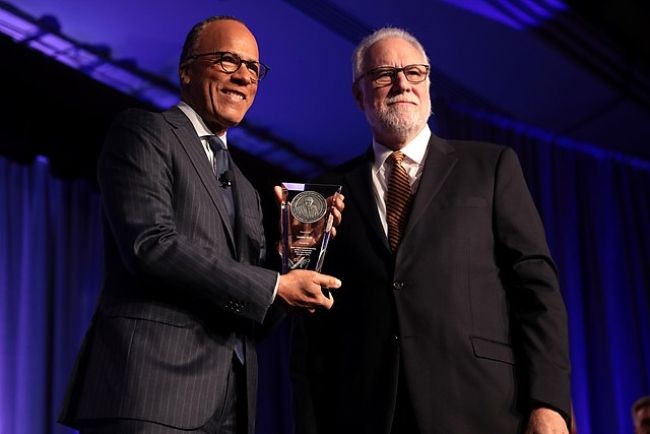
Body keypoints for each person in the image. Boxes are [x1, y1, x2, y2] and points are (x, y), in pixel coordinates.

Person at [58, 16, 341, 434]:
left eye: (253, 68)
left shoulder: (245, 188)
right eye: (228, 61)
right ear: (187, 70)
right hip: (150, 393)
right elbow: (150, 245)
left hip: (229, 406)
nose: (244, 76)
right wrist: (274, 286)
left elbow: (250, 310)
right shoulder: (145, 132)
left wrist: (289, 259)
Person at [291, 27, 571, 433]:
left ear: (428, 83)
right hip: (364, 414)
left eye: (414, 72)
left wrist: (548, 405)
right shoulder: (323, 192)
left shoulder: (491, 167)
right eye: (384, 74)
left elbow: (537, 291)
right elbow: (309, 330)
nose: (401, 83)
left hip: (483, 408)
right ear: (359, 94)